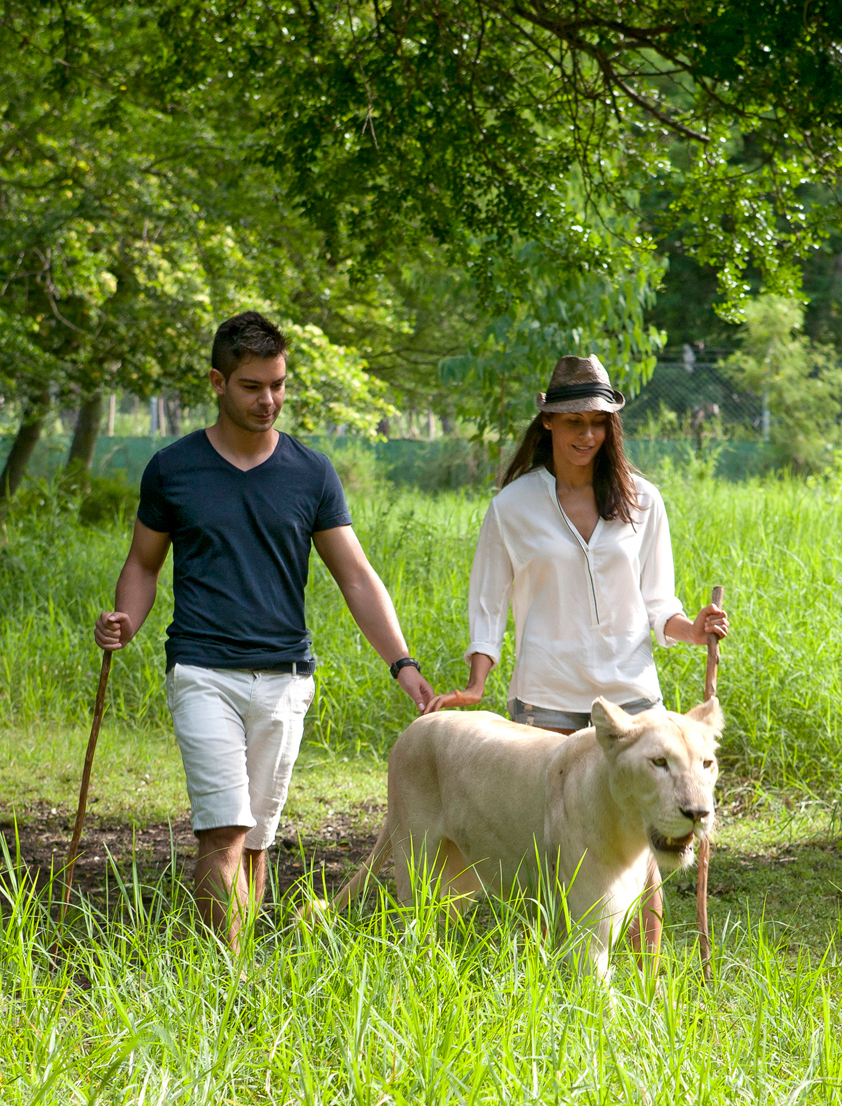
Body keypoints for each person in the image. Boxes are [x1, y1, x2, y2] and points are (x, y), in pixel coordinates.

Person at [95, 311, 433, 954]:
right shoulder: (173, 469)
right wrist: (124, 624)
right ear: (219, 382)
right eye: (253, 386)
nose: (269, 400)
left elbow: (356, 577)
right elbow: (143, 563)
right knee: (222, 832)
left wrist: (403, 664)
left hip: (285, 679)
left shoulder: (311, 472)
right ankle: (222, 981)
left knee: (255, 843)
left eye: (278, 384)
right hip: (201, 671)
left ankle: (241, 971)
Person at [424, 354, 729, 965]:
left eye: (597, 422)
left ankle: (642, 989)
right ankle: (555, 995)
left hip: (634, 708)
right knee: (549, 869)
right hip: (545, 705)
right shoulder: (511, 507)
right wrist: (475, 680)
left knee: (641, 864)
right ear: (547, 425)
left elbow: (657, 603)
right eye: (572, 423)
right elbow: (487, 603)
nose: (585, 434)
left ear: (610, 425)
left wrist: (692, 630)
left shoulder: (643, 501)